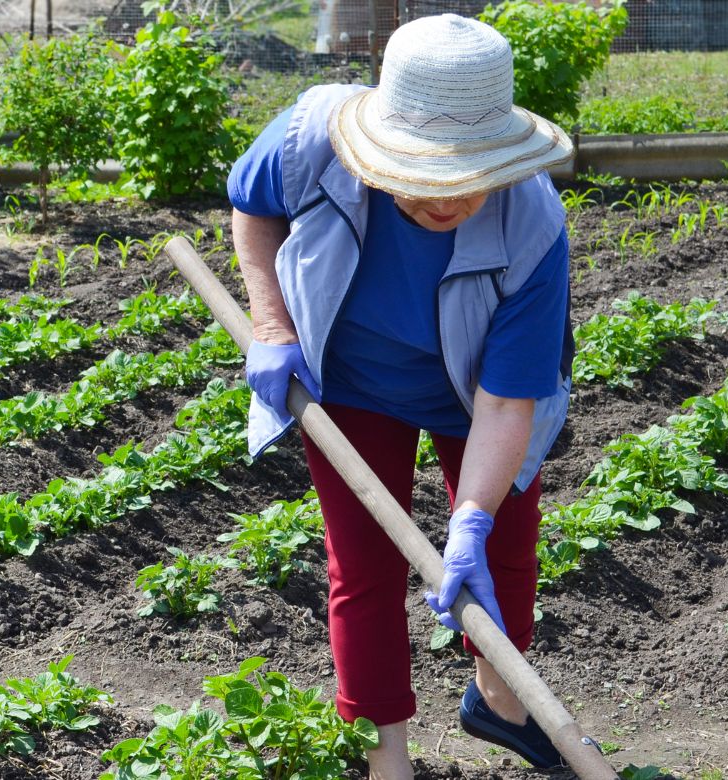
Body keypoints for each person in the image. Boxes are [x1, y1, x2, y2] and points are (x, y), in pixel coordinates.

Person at [227, 14, 575, 778]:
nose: (447, 200)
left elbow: (508, 400)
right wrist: (271, 323)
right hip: (349, 384)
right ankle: (385, 759)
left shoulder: (534, 226)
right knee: (365, 566)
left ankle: (499, 701)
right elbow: (252, 212)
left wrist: (471, 521)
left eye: (470, 177)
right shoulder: (308, 140)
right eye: (425, 177)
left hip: (473, 392)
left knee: (504, 552)